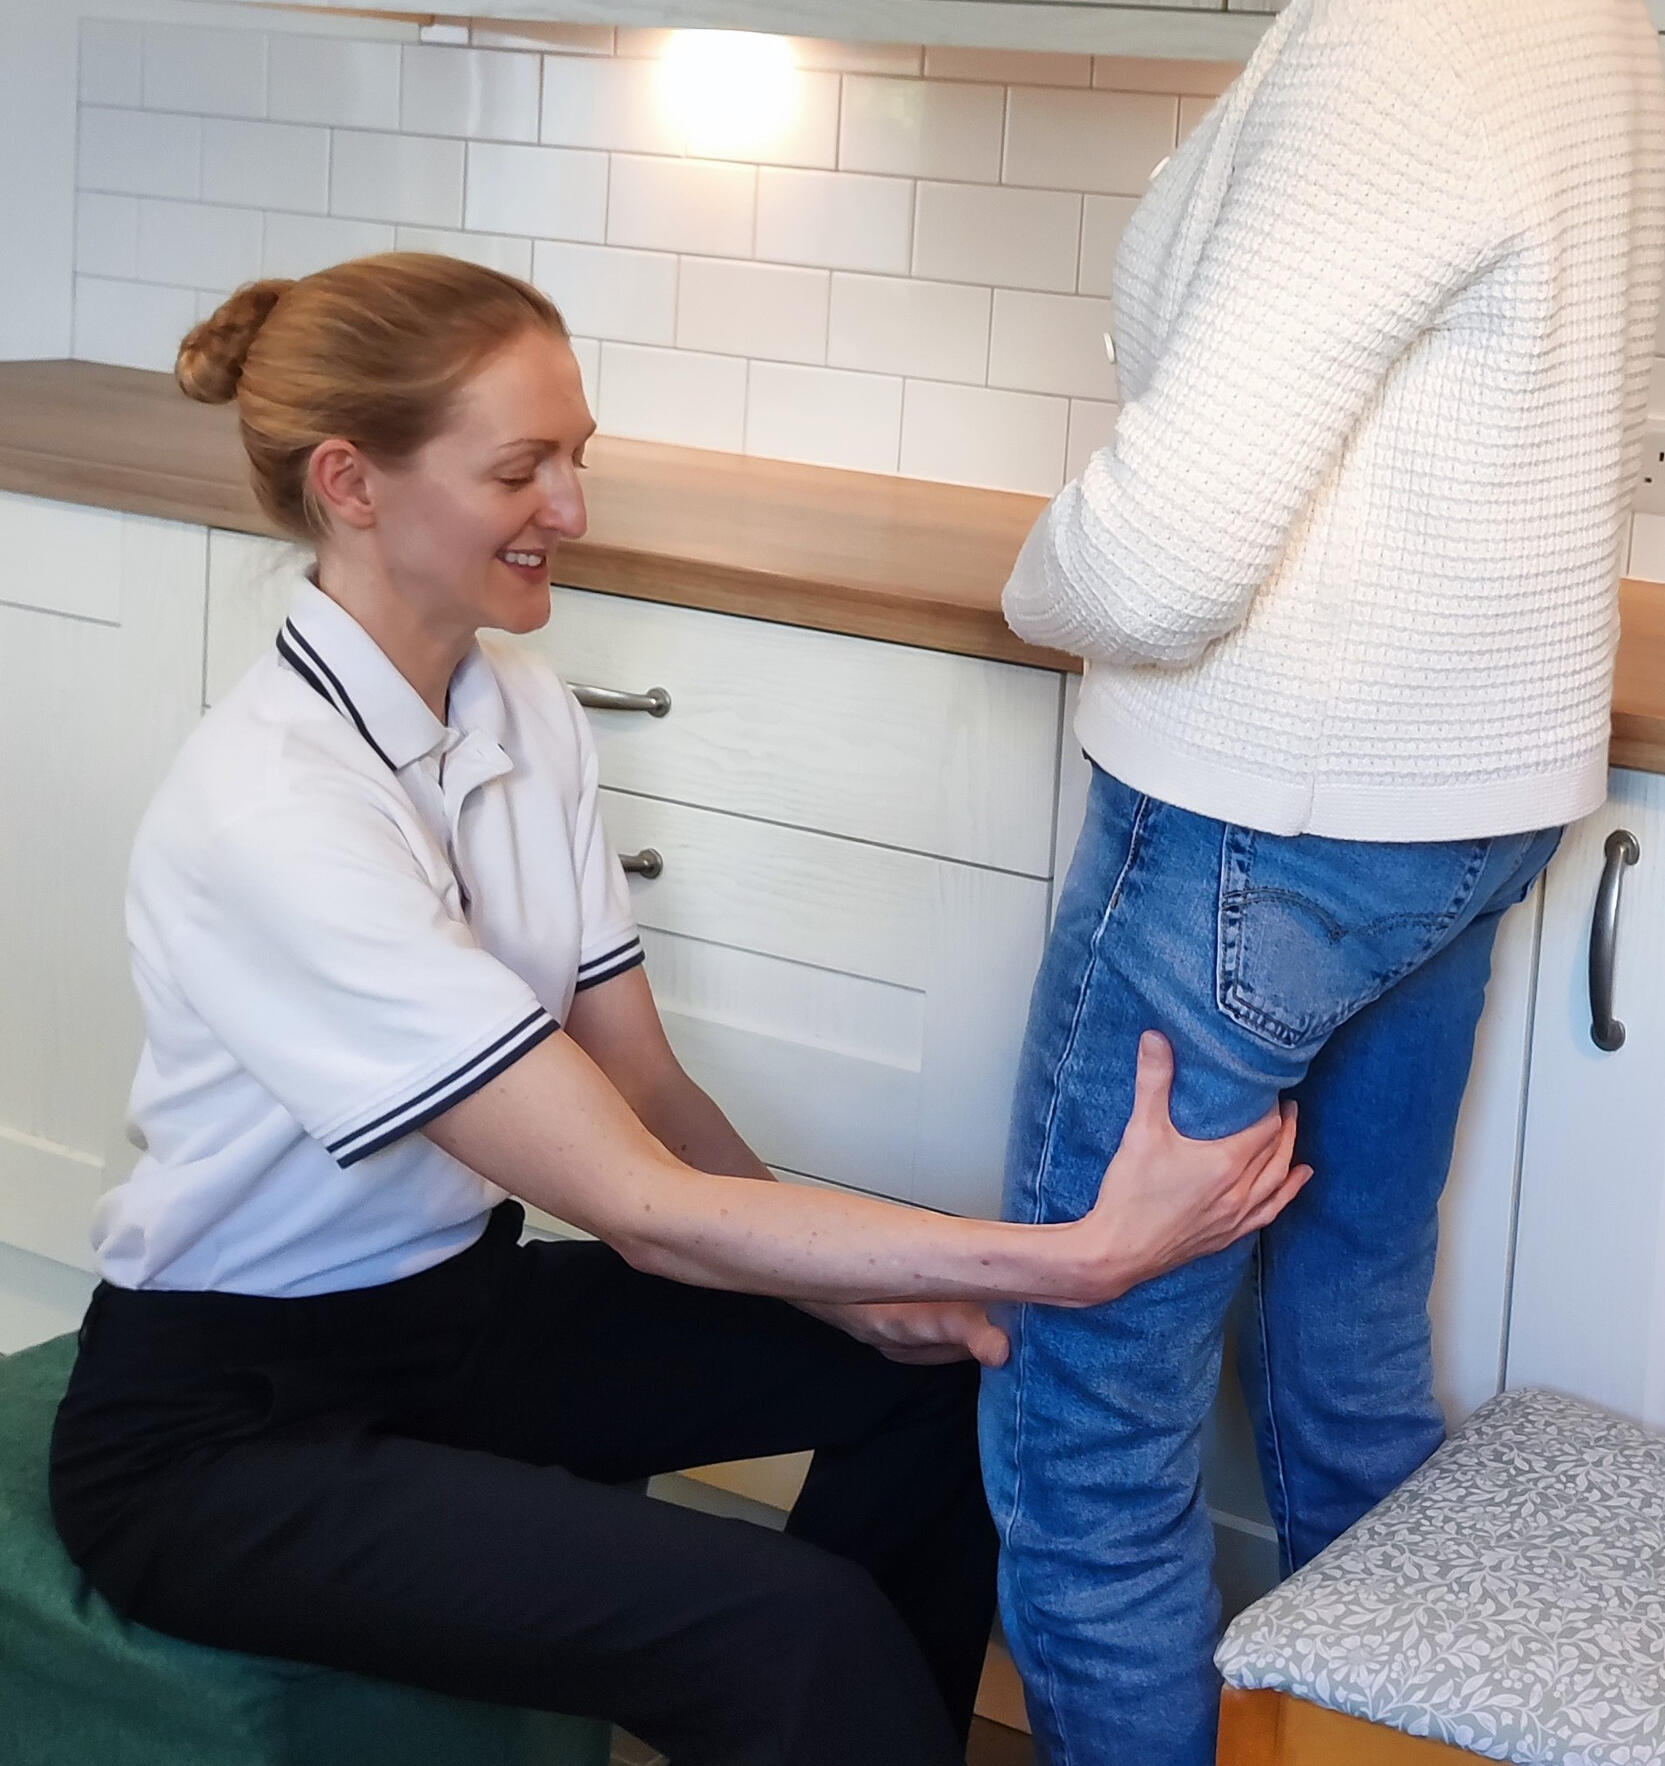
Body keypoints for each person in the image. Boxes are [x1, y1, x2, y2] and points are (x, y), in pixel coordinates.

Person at [47, 253, 1309, 1766]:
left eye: (576, 456)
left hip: (452, 1326)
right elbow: (640, 1206)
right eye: (521, 466)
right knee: (787, 1623)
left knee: (939, 1370)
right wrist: (1078, 1257)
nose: (572, 507)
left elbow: (643, 1084)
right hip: (227, 1433)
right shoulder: (271, 810)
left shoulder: (516, 708)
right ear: (352, 483)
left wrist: (844, 1290)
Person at [980, 0, 1665, 1762]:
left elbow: (1159, 553)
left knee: (1089, 1419)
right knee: (1346, 1341)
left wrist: (1032, 586)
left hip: (1262, 800)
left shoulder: (1400, 30)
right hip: (1458, 792)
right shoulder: (1592, 21)